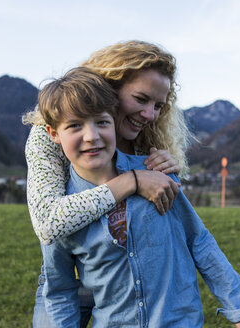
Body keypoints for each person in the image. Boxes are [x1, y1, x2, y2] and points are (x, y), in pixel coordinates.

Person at [38, 66, 240, 327]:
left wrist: (238, 304)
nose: (92, 137)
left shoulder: (157, 174)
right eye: (75, 125)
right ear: (53, 134)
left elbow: (198, 240)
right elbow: (61, 291)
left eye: (102, 122)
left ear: (115, 120)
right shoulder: (63, 213)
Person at [23, 40, 194, 327]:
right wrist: (132, 181)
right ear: (110, 88)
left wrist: (165, 169)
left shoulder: (144, 135)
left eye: (158, 106)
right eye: (140, 99)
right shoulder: (47, 136)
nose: (150, 115)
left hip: (122, 275)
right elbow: (47, 221)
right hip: (69, 276)